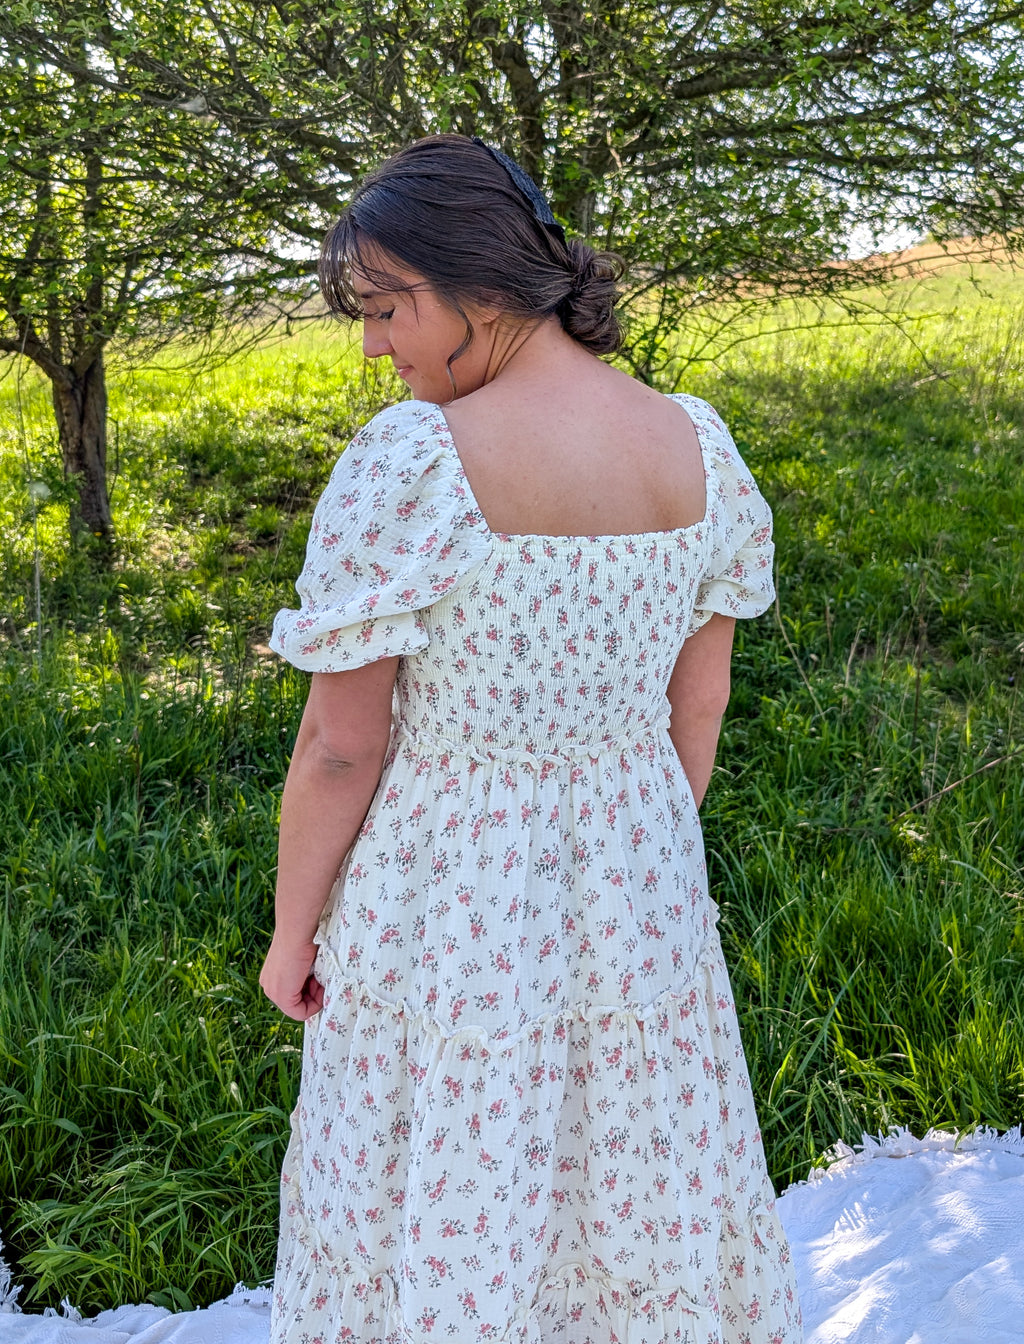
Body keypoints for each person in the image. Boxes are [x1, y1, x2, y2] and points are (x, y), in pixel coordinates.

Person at [260, 133, 802, 1344]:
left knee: (452, 1164)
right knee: (629, 1164)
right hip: (642, 874)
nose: (371, 345)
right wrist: (637, 856)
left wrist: (293, 932)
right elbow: (695, 705)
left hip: (446, 898)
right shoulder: (697, 445)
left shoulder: (416, 462)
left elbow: (341, 746)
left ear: (482, 280)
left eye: (389, 306)